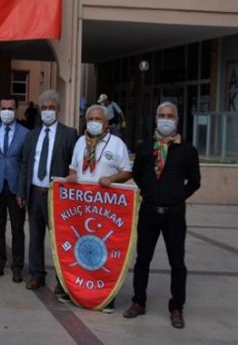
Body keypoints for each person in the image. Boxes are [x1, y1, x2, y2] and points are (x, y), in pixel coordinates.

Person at [123, 102, 200, 329]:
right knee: (142, 260)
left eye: (170, 115)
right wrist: (150, 192)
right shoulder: (146, 147)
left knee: (177, 262)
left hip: (175, 215)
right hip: (149, 213)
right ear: (155, 118)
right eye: (162, 115)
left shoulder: (187, 150)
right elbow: (137, 174)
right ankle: (138, 302)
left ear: (177, 119)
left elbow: (195, 182)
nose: (166, 119)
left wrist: (177, 196)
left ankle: (176, 307)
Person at [67, 104, 133, 312]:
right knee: (81, 249)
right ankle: (78, 290)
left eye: (98, 119)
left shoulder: (117, 144)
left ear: (106, 123)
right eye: (91, 119)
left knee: (103, 252)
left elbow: (127, 171)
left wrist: (111, 179)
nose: (94, 123)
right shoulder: (80, 142)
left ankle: (107, 295)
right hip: (81, 208)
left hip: (106, 209)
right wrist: (71, 175)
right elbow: (73, 167)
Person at [18, 89, 78, 296]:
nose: (47, 111)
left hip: (57, 196)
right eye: (44, 108)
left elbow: (74, 165)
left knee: (61, 239)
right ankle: (37, 274)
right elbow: (25, 164)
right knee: (35, 236)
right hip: (35, 193)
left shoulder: (69, 134)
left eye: (51, 108)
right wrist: (21, 192)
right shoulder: (31, 135)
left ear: (58, 110)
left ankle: (63, 279)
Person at [0, 95, 29, 283]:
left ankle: (17, 266)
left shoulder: (26, 133)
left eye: (10, 108)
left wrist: (22, 190)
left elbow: (26, 164)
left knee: (17, 228)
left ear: (16, 110)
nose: (7, 112)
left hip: (16, 187)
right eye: (3, 108)